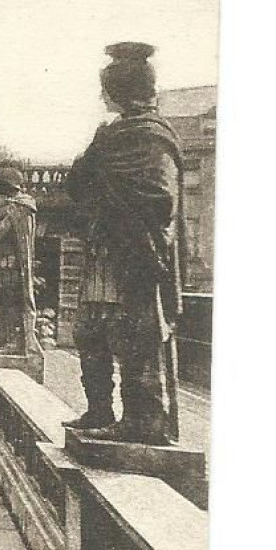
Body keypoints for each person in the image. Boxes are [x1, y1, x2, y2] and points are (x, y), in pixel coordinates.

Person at [63, 42, 184, 444]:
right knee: (89, 332)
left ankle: (144, 419)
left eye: (106, 90)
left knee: (137, 336)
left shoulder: (147, 135)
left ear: (119, 92)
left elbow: (158, 199)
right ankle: (99, 410)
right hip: (107, 249)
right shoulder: (115, 136)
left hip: (138, 254)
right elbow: (77, 183)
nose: (102, 98)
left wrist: (112, 192)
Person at [0, 167, 42, 357]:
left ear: (7, 185)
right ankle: (1, 338)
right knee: (0, 301)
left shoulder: (19, 207)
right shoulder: (10, 207)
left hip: (11, 265)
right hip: (2, 264)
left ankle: (14, 342)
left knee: (11, 303)